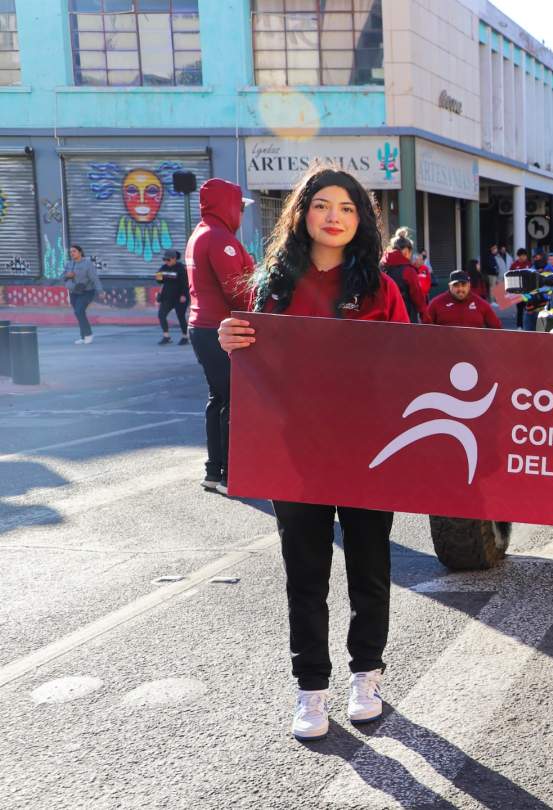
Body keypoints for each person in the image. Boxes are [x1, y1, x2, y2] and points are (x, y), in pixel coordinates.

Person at [215, 165, 409, 742]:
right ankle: (311, 689)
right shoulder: (271, 286)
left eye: (347, 208)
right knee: (305, 575)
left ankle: (366, 676)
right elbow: (257, 371)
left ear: (361, 220)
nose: (334, 217)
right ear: (301, 214)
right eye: (322, 204)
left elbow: (411, 364)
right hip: (295, 455)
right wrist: (230, 341)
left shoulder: (380, 288)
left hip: (368, 453)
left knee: (370, 569)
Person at [186, 178, 255, 494]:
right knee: (234, 402)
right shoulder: (219, 239)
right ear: (229, 206)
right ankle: (230, 474)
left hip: (202, 326)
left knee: (219, 399)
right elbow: (237, 290)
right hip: (220, 329)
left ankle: (215, 471)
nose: (241, 214)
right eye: (240, 207)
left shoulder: (201, 233)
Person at [427, 269, 501, 328]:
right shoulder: (436, 303)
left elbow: (497, 328)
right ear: (450, 286)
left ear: (469, 285)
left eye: (463, 285)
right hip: (445, 342)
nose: (460, 289)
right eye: (456, 285)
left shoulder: (481, 304)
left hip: (473, 342)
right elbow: (425, 328)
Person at [63, 244, 103, 345]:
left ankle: (88, 334)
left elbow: (94, 278)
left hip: (86, 292)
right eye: (70, 252)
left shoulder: (87, 264)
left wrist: (100, 291)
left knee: (79, 311)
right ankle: (83, 336)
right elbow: (62, 277)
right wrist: (67, 275)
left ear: (80, 252)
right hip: (74, 292)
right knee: (78, 313)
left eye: (74, 251)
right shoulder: (69, 264)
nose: (72, 253)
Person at [154, 249, 190, 345]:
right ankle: (166, 336)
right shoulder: (163, 267)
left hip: (180, 297)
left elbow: (186, 283)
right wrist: (158, 276)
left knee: (181, 316)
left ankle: (185, 337)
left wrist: (184, 295)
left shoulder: (181, 268)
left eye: (168, 260)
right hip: (167, 297)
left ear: (174, 259)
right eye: (164, 259)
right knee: (161, 315)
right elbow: (159, 281)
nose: (166, 261)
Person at [509, 248, 531, 328]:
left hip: (527, 291)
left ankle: (528, 326)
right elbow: (509, 277)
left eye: (525, 255)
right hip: (518, 291)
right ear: (519, 256)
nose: (524, 257)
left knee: (528, 308)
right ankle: (519, 326)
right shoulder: (514, 265)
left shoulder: (529, 264)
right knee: (520, 309)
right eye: (522, 255)